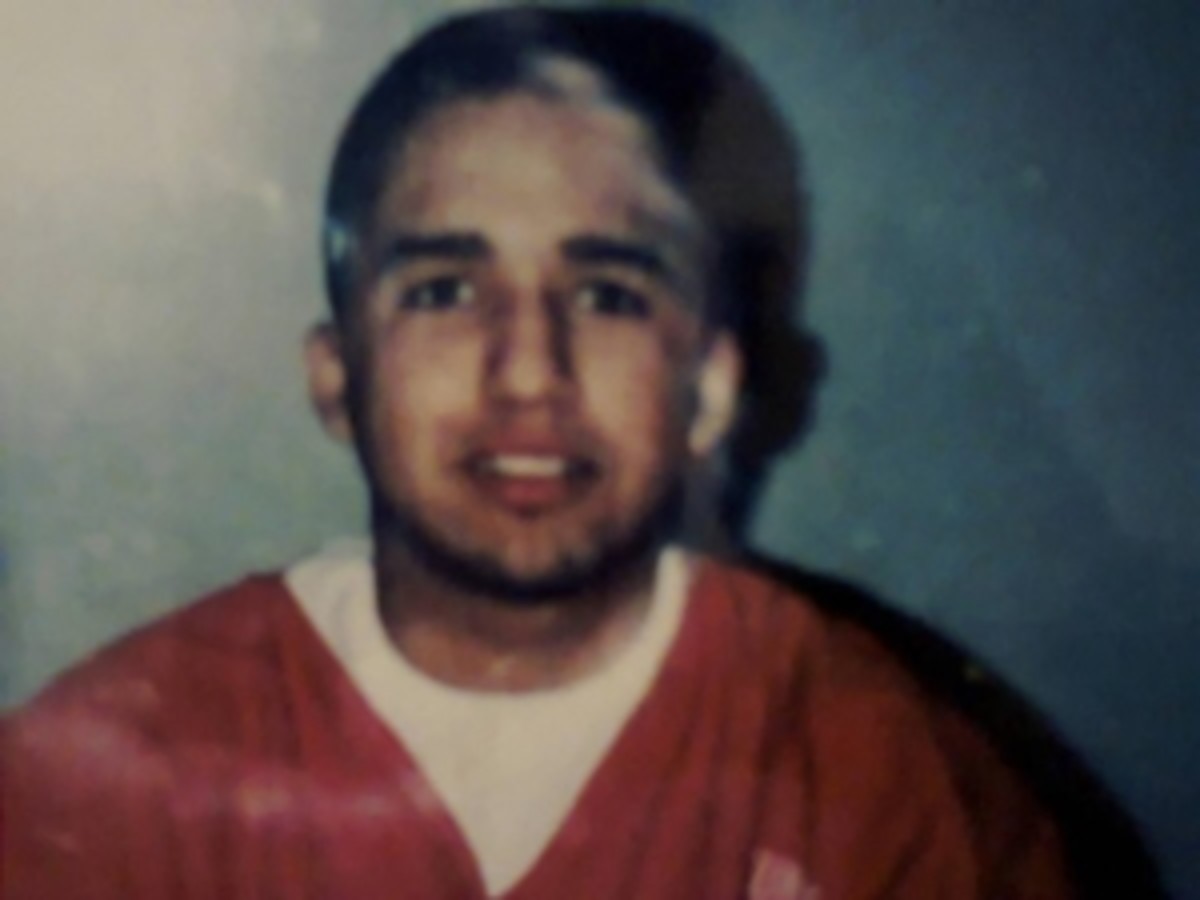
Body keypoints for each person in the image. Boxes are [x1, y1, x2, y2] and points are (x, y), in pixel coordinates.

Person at [0, 6, 1158, 899]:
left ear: (708, 388)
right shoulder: (110, 778)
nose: (528, 369)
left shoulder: (881, 775)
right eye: (446, 289)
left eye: (606, 294)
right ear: (337, 377)